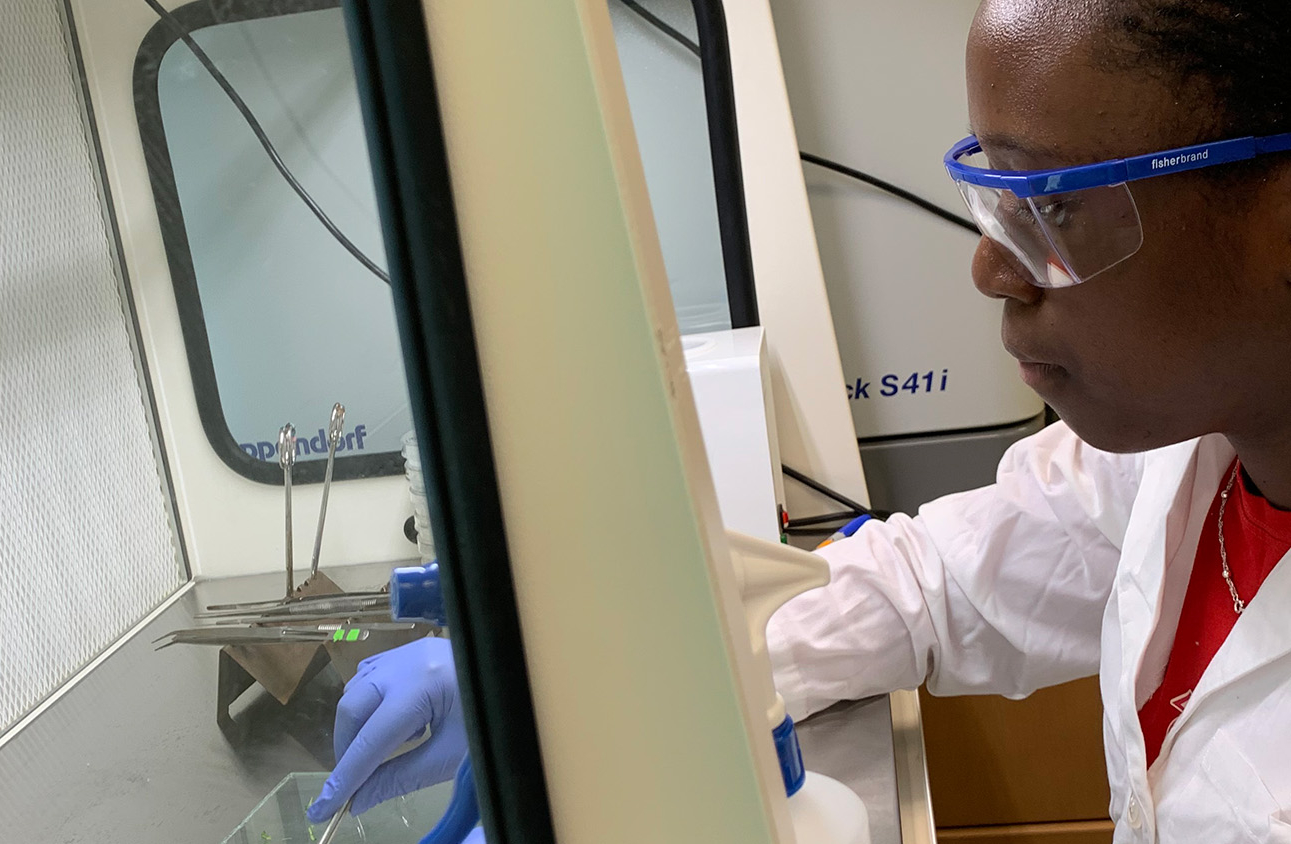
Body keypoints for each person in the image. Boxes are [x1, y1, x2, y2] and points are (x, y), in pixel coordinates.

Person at [311, 1, 1291, 840]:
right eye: (992, 195)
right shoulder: (1173, 456)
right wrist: (562, 681)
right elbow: (932, 582)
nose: (990, 267)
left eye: (1055, 204)